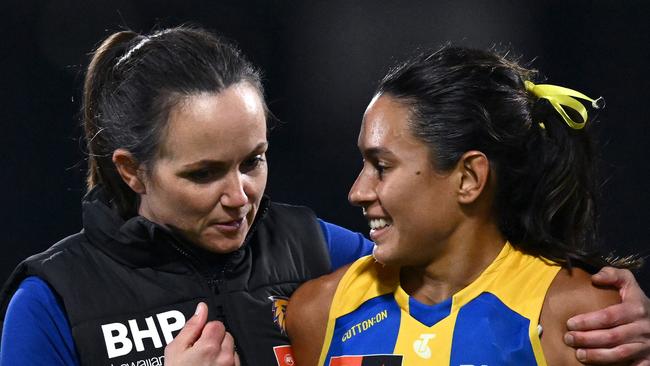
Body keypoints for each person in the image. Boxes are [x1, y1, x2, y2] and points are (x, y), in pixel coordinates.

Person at [0, 27, 647, 366]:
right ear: (132, 171)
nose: (240, 196)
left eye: (253, 161)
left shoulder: (320, 256)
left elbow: (472, 263)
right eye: (204, 174)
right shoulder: (53, 304)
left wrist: (622, 305)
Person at [287, 46, 649, 365]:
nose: (357, 192)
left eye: (382, 167)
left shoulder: (582, 319)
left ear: (469, 178)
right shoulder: (319, 314)